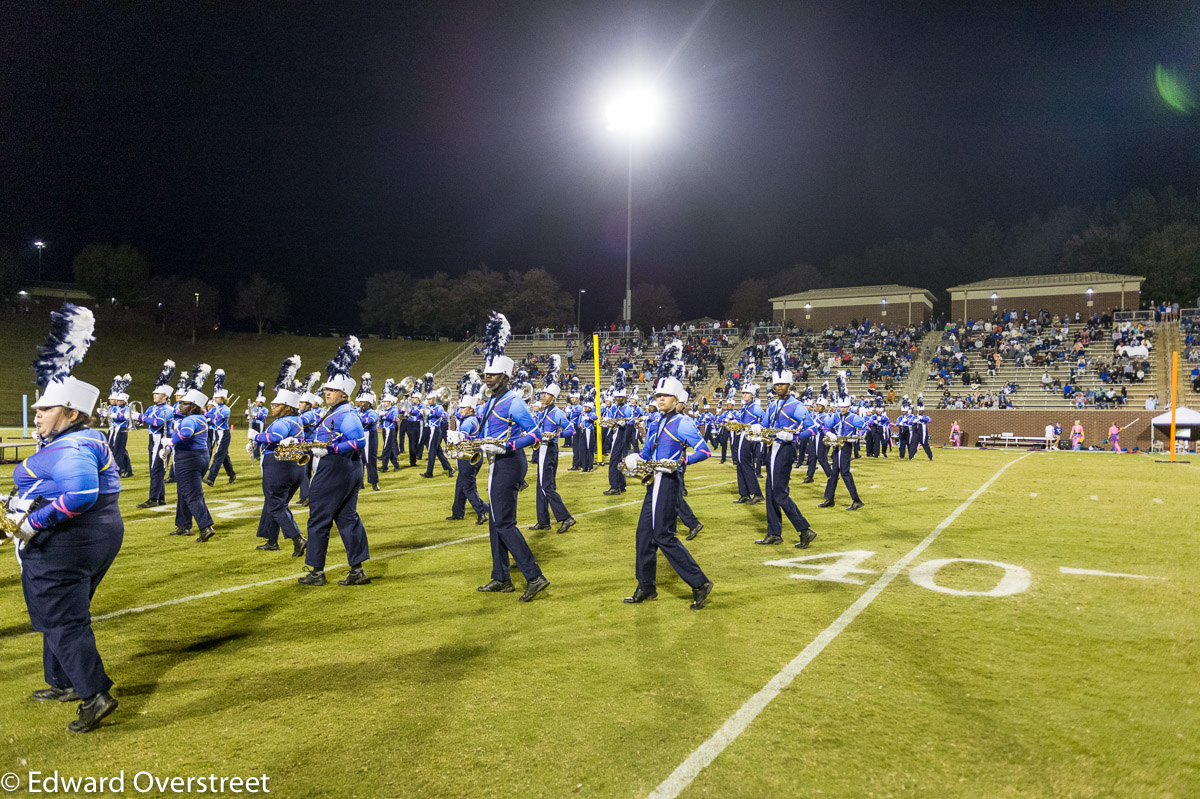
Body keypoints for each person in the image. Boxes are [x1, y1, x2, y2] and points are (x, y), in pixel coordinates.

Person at [3, 304, 122, 732]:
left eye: (45, 410)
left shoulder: (73, 447)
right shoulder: (86, 438)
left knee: (60, 616)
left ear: (72, 412)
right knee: (62, 611)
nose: (36, 415)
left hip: (69, 539)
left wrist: (32, 522)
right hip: (95, 535)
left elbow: (83, 492)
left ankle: (94, 693)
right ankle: (62, 681)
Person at [621, 348, 714, 610]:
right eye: (658, 395)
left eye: (666, 396)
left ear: (677, 399)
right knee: (643, 535)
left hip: (670, 483)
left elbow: (705, 451)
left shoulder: (683, 422)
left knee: (664, 536)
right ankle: (646, 586)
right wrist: (635, 458)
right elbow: (647, 453)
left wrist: (681, 462)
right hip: (653, 482)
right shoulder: (655, 422)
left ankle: (699, 583)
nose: (660, 399)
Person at [474, 311, 551, 602]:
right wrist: (467, 441)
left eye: (491, 374)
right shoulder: (491, 398)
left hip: (508, 462)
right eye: (485, 373)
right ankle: (501, 577)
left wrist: (506, 447)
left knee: (504, 522)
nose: (487, 377)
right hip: (496, 462)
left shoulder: (514, 401)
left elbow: (535, 435)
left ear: (504, 376)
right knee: (495, 521)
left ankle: (534, 576)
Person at [298, 337, 371, 587]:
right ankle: (357, 570)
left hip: (336, 469)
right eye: (326, 390)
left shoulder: (346, 413)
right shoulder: (334, 411)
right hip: (347, 470)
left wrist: (331, 450)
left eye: (332, 391)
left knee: (318, 518)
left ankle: (316, 572)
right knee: (347, 518)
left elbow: (359, 441)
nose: (327, 393)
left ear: (344, 393)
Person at [753, 339, 818, 549]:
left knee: (780, 493)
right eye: (776, 384)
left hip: (786, 449)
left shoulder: (796, 406)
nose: (778, 387)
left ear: (789, 385)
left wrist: (796, 437)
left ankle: (804, 529)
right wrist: (755, 430)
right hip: (772, 448)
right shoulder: (772, 405)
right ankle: (774, 532)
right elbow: (764, 424)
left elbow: (812, 428)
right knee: (771, 491)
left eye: (782, 384)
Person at [249, 355, 307, 556]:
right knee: (273, 503)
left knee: (275, 504)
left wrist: (257, 436)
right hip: (294, 466)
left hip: (279, 466)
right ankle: (271, 539)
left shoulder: (284, 422)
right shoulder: (296, 421)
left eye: (276, 405)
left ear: (287, 407)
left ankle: (297, 538)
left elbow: (274, 436)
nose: (272, 407)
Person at [163, 364, 217, 542]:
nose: (180, 405)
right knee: (183, 491)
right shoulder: (200, 418)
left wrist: (171, 441)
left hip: (188, 459)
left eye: (184, 403)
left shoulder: (190, 420)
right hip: (200, 456)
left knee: (192, 494)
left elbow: (185, 434)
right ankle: (184, 525)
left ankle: (205, 526)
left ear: (193, 406)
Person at [528, 356, 577, 534]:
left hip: (549, 449)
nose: (543, 396)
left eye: (546, 394)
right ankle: (543, 520)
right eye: (542, 393)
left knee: (546, 486)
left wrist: (557, 434)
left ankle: (566, 517)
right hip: (541, 448)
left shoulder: (557, 413)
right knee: (540, 485)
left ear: (554, 397)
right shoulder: (542, 412)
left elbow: (571, 430)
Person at [445, 373, 489, 525]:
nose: (460, 410)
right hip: (475, 454)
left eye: (463, 408)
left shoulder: (467, 422)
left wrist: (453, 436)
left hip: (468, 457)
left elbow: (462, 437)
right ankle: (458, 512)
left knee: (468, 487)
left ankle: (483, 511)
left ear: (470, 409)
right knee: (460, 485)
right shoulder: (473, 419)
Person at [818, 379, 866, 511]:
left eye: (845, 407)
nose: (843, 409)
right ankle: (830, 499)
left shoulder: (853, 417)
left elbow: (865, 426)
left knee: (845, 473)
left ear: (849, 407)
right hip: (836, 446)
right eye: (841, 406)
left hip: (846, 447)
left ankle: (856, 500)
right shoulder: (836, 416)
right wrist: (829, 434)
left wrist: (856, 437)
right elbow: (825, 426)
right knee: (834, 473)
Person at [136, 360, 176, 508]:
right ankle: (160, 497)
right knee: (155, 469)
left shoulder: (168, 409)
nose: (154, 394)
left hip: (163, 440)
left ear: (165, 396)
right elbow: (146, 419)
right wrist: (139, 418)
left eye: (157, 393)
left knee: (157, 469)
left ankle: (153, 499)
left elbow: (156, 422)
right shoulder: (151, 407)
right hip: (153, 440)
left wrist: (139, 417)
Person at [604, 368, 635, 495]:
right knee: (619, 460)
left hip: (622, 434)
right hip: (614, 433)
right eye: (617, 397)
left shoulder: (627, 408)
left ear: (625, 396)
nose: (619, 399)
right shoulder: (613, 408)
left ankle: (615, 486)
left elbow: (632, 422)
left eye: (621, 397)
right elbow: (611, 420)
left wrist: (625, 422)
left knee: (614, 461)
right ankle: (621, 484)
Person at [733, 383, 765, 504]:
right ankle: (744, 493)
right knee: (740, 462)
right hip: (742, 435)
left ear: (752, 395)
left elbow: (765, 419)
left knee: (745, 463)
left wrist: (758, 427)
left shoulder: (755, 407)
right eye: (743, 393)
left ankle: (757, 493)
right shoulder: (745, 407)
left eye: (747, 393)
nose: (744, 395)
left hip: (749, 436)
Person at [203, 369, 236, 486]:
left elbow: (216, 417)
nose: (215, 399)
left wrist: (210, 416)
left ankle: (211, 479)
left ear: (222, 398)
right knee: (223, 455)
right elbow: (209, 415)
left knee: (218, 455)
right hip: (217, 433)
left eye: (217, 398)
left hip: (224, 433)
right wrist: (206, 414)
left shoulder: (226, 409)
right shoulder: (216, 408)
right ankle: (231, 474)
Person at [102, 374, 134, 478]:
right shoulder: (114, 408)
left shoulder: (126, 408)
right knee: (114, 449)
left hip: (121, 430)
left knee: (119, 451)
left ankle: (120, 469)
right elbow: (106, 413)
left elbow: (124, 416)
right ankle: (124, 469)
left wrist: (114, 415)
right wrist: (101, 413)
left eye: (116, 400)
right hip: (114, 429)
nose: (113, 401)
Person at [356, 374, 381, 490]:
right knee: (360, 460)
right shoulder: (358, 411)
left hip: (370, 436)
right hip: (361, 436)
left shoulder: (372, 412)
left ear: (369, 403)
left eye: (363, 402)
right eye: (360, 401)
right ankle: (360, 482)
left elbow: (369, 421)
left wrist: (357, 419)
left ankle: (374, 482)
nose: (360, 403)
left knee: (370, 460)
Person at [378, 379, 401, 473]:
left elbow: (395, 418)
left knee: (386, 449)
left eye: (386, 401)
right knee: (388, 448)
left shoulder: (394, 409)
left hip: (390, 430)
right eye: (384, 401)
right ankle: (396, 465)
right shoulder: (385, 409)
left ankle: (384, 467)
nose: (384, 402)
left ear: (390, 401)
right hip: (385, 429)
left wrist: (384, 415)